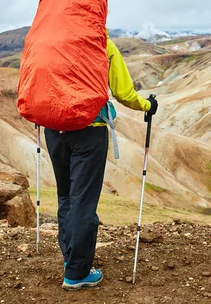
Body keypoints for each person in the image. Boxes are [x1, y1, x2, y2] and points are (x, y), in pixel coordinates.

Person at [44, 30, 158, 291]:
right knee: (83, 202)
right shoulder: (102, 44)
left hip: (54, 131)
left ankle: (69, 259)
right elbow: (124, 93)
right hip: (89, 131)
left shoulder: (50, 38)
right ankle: (77, 272)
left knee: (66, 198)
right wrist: (148, 106)